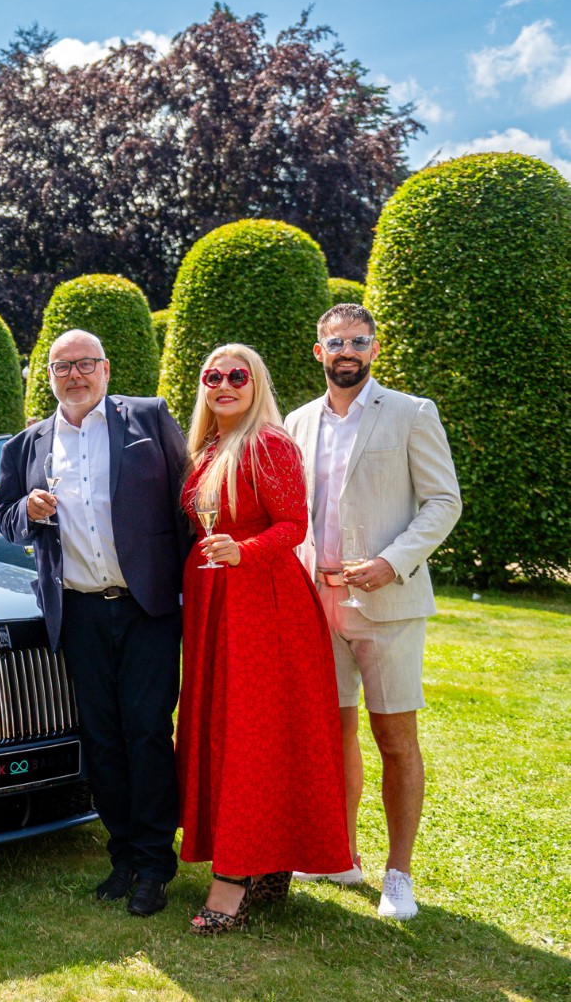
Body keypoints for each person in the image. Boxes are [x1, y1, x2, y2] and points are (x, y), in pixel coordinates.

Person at [0, 330, 191, 917]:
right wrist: (26, 511)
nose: (73, 375)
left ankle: (156, 863)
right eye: (61, 367)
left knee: (148, 730)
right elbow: (4, 518)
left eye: (84, 364)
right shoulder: (28, 444)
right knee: (101, 739)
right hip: (77, 610)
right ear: (47, 377)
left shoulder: (149, 419)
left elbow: (187, 502)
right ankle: (123, 856)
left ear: (105, 369)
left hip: (147, 607)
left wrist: (190, 588)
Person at [284, 304, 461, 920]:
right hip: (315, 600)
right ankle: (341, 854)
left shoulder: (412, 413)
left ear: (375, 349)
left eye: (358, 341)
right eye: (335, 342)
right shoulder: (298, 422)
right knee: (332, 734)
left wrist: (393, 562)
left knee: (395, 737)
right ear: (319, 351)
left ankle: (399, 875)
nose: (347, 351)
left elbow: (443, 501)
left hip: (387, 602)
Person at [176, 344, 352, 935]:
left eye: (237, 376)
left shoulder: (269, 442)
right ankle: (266, 867)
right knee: (225, 728)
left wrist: (242, 551)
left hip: (263, 607)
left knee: (251, 735)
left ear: (257, 384)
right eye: (213, 376)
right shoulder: (207, 447)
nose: (224, 384)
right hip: (216, 605)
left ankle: (235, 879)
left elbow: (292, 525)